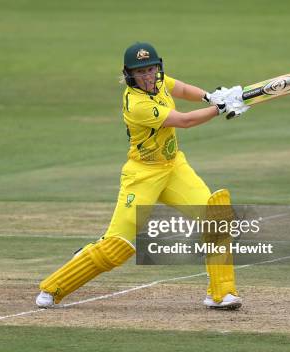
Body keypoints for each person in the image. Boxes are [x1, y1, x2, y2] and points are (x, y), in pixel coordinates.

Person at [36, 42, 249, 310]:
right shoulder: (136, 104)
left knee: (216, 218)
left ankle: (221, 293)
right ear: (129, 75)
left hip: (173, 167)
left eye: (151, 70)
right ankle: (53, 288)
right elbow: (184, 121)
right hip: (143, 175)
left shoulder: (158, 82)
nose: (148, 76)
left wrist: (210, 96)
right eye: (141, 72)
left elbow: (180, 88)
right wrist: (220, 108)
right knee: (117, 247)